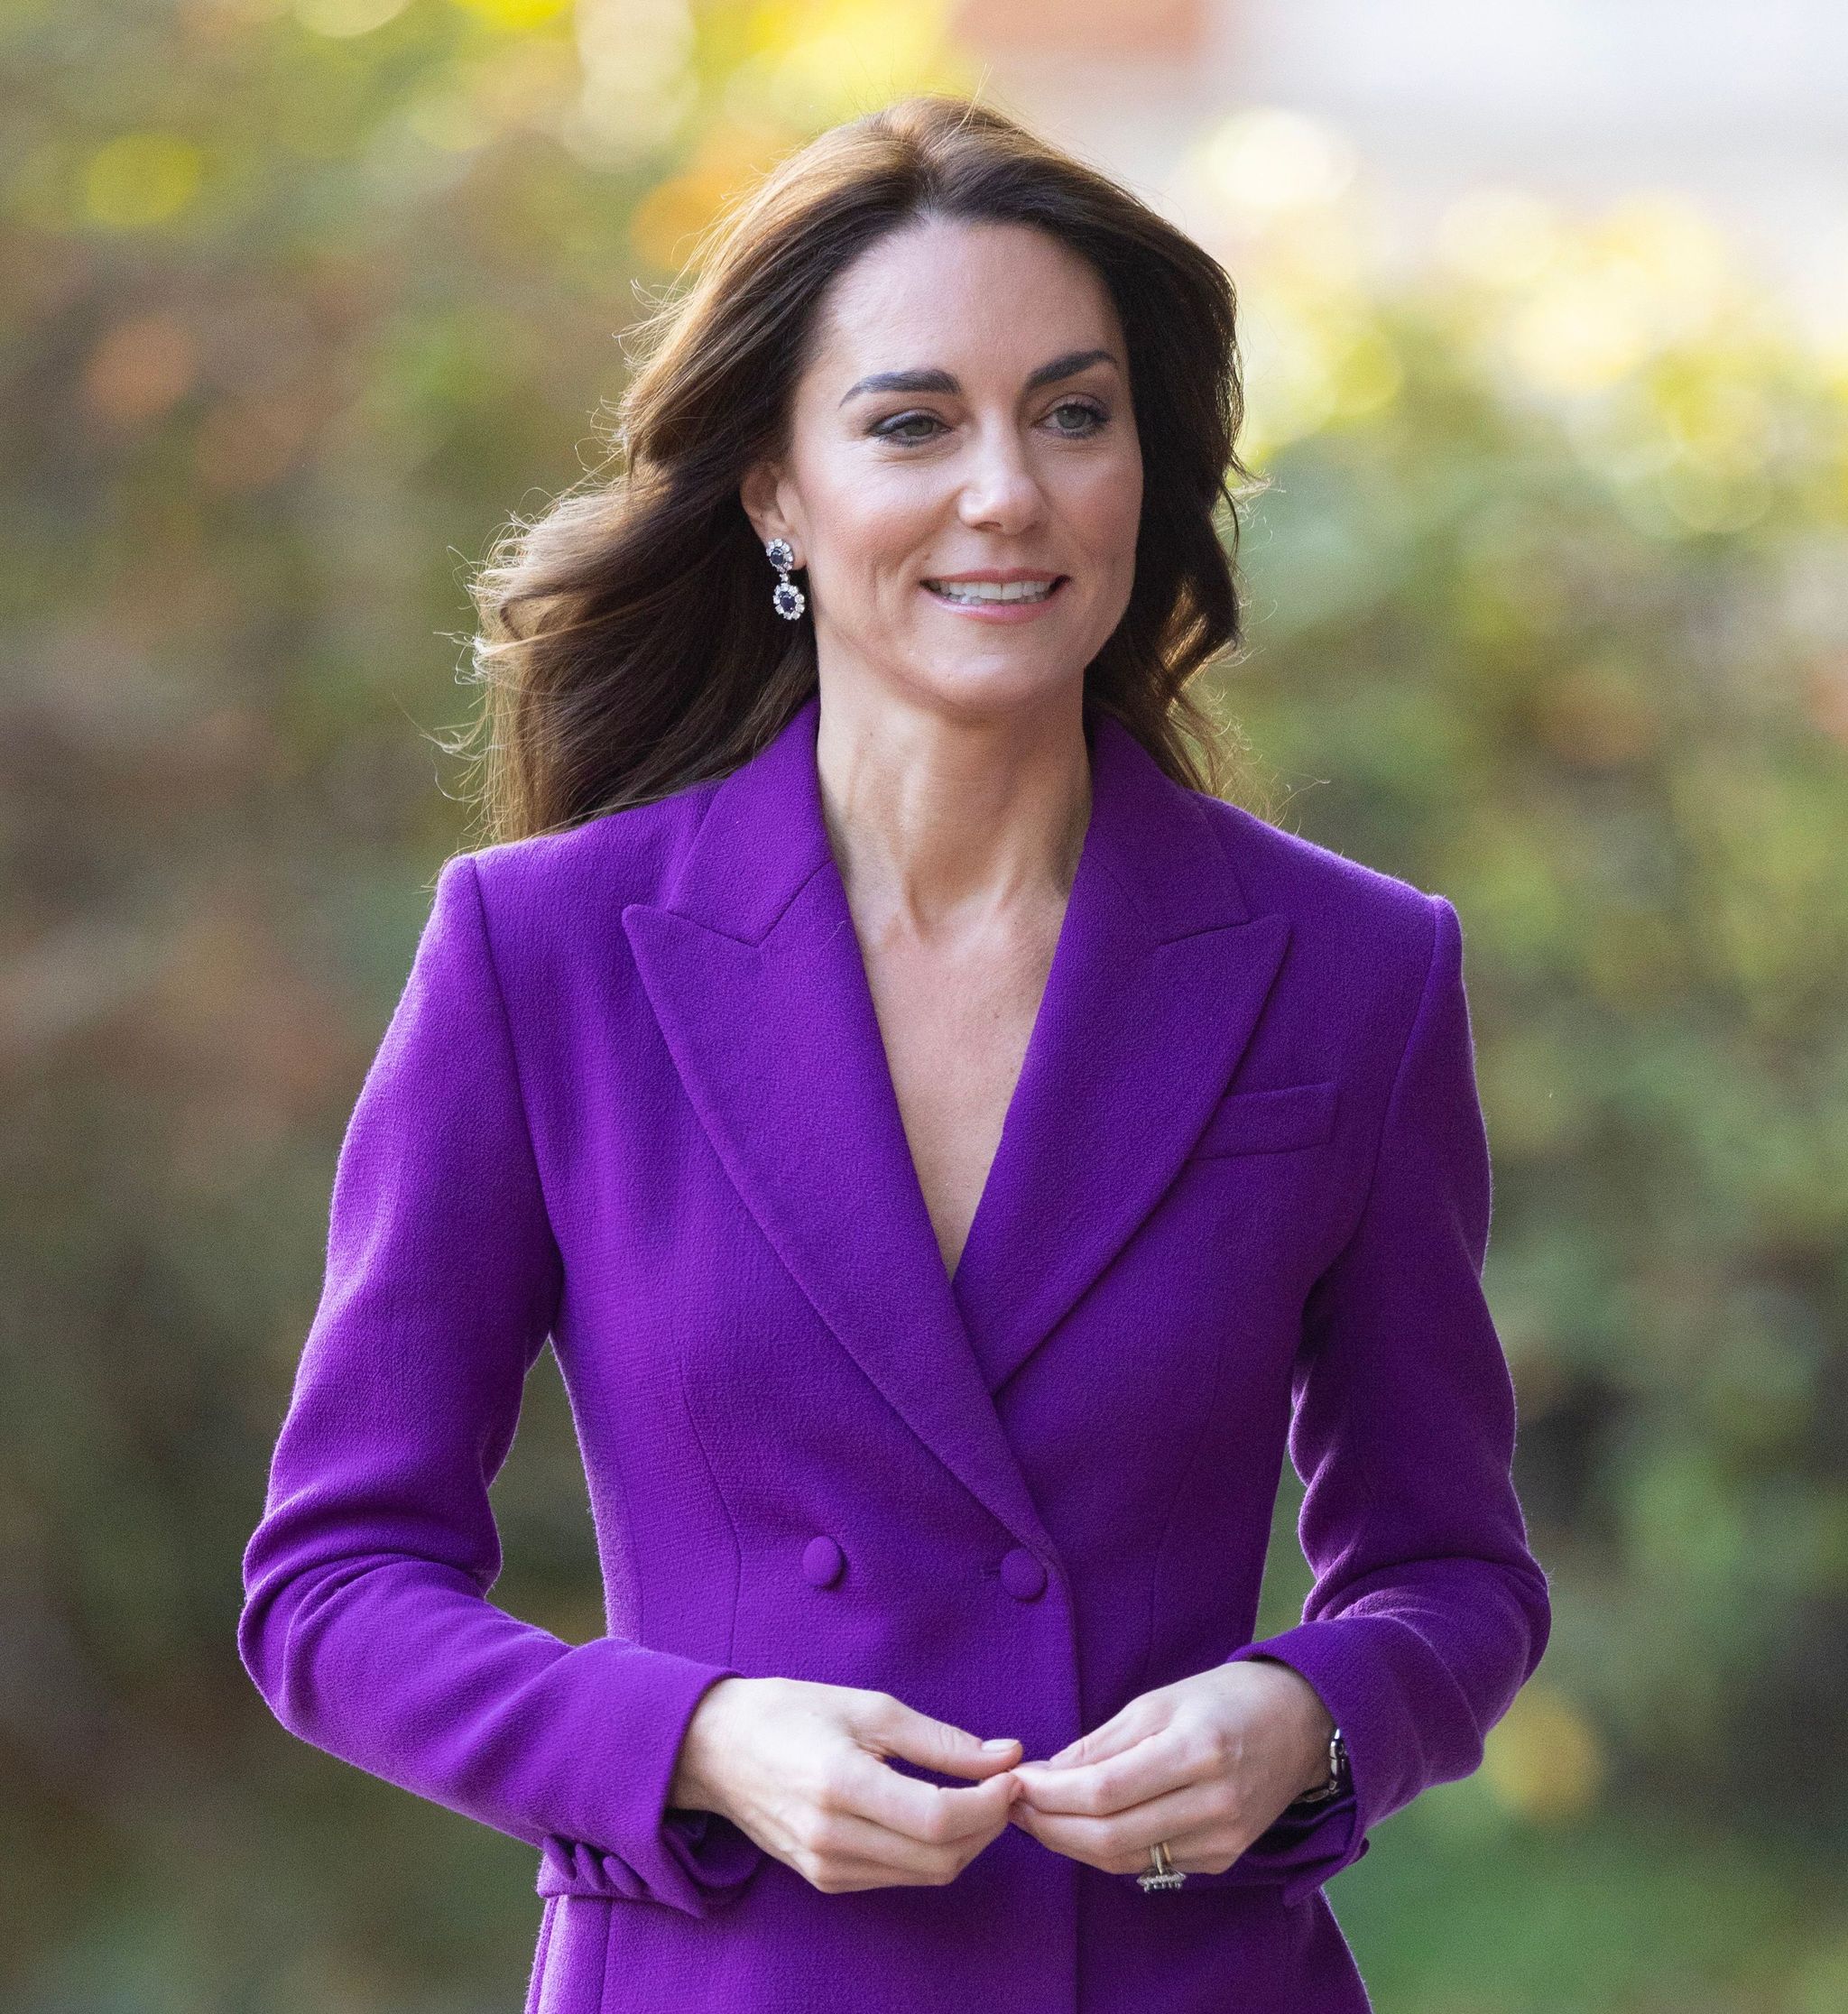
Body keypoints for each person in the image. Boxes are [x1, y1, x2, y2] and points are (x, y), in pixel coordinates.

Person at [237, 93, 1551, 2014]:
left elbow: (1456, 1577)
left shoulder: (1353, 971)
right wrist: (692, 1741)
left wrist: (1306, 1715)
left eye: (1074, 414)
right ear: (775, 491)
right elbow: (331, 1592)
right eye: (912, 422)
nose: (1006, 491)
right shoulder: (543, 958)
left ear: (1145, 468)